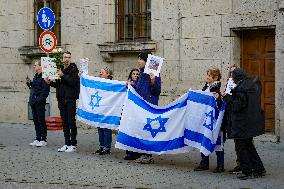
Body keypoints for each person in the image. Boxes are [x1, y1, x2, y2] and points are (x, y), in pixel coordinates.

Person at [224, 68, 266, 180]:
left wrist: (227, 97)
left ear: (236, 77)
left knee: (241, 148)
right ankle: (259, 169)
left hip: (241, 123)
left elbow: (237, 106)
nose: (231, 78)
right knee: (249, 147)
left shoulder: (241, 89)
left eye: (232, 76)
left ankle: (247, 171)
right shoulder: (251, 85)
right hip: (249, 122)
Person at [47, 51, 80, 153]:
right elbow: (58, 84)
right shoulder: (60, 68)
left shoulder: (74, 69)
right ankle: (67, 143)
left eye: (69, 57)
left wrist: (63, 75)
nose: (67, 59)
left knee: (71, 121)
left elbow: (73, 82)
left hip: (70, 99)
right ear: (62, 58)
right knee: (64, 122)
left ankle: (73, 144)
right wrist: (49, 82)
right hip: (61, 99)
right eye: (65, 57)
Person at [194, 68, 226, 173]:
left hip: (215, 119)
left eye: (209, 76)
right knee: (204, 138)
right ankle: (204, 163)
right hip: (207, 118)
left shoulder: (216, 88)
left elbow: (219, 104)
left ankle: (220, 165)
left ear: (215, 78)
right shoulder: (207, 86)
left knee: (218, 141)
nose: (207, 77)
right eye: (207, 75)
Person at [132, 51, 161, 164]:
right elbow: (138, 87)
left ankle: (148, 155)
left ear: (146, 61)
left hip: (148, 105)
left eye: (141, 59)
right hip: (140, 105)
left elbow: (157, 91)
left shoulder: (154, 73)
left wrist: (153, 81)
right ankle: (142, 153)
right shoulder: (141, 73)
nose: (138, 61)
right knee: (141, 129)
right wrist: (131, 85)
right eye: (138, 59)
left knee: (147, 131)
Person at [27, 60, 50, 147]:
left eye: (35, 65)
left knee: (41, 121)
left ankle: (43, 139)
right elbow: (33, 87)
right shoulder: (36, 76)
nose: (34, 67)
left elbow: (45, 91)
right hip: (33, 102)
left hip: (39, 103)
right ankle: (38, 138)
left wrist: (38, 99)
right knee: (36, 120)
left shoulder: (44, 77)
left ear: (40, 67)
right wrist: (29, 82)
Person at [94, 68, 114, 155]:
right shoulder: (98, 82)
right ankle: (101, 146)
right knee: (100, 128)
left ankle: (107, 147)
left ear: (107, 74)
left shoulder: (112, 84)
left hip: (108, 109)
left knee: (106, 129)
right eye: (100, 72)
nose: (100, 73)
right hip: (100, 108)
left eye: (102, 72)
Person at [123, 68, 141, 160]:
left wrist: (133, 86)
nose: (135, 75)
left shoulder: (140, 85)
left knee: (136, 132)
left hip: (137, 111)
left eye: (137, 74)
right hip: (129, 111)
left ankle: (136, 153)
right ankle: (129, 152)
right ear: (130, 75)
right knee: (128, 130)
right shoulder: (127, 84)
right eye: (133, 74)